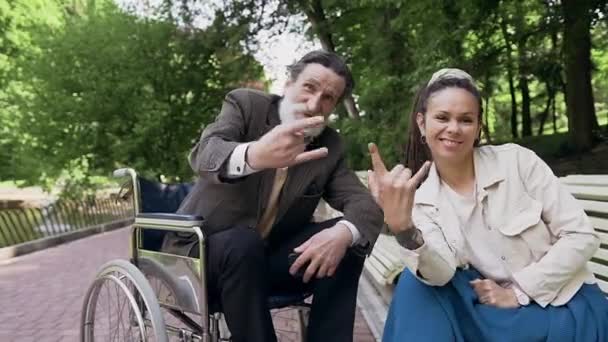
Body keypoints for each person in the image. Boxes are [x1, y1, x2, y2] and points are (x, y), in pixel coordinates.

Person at [367, 68, 608, 341]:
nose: (453, 129)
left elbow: (582, 236)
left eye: (466, 120)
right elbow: (440, 273)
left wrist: (519, 291)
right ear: (422, 123)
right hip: (494, 311)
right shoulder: (423, 201)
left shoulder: (518, 162)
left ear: (478, 126)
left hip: (560, 302)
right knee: (415, 283)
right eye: (442, 118)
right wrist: (404, 230)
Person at [166, 50, 383, 342]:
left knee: (346, 241)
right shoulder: (246, 105)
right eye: (309, 87)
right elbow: (205, 153)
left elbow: (363, 204)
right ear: (288, 83)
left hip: (265, 260)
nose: (314, 103)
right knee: (243, 241)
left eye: (328, 98)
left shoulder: (329, 145)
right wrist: (253, 154)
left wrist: (343, 233)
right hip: (201, 256)